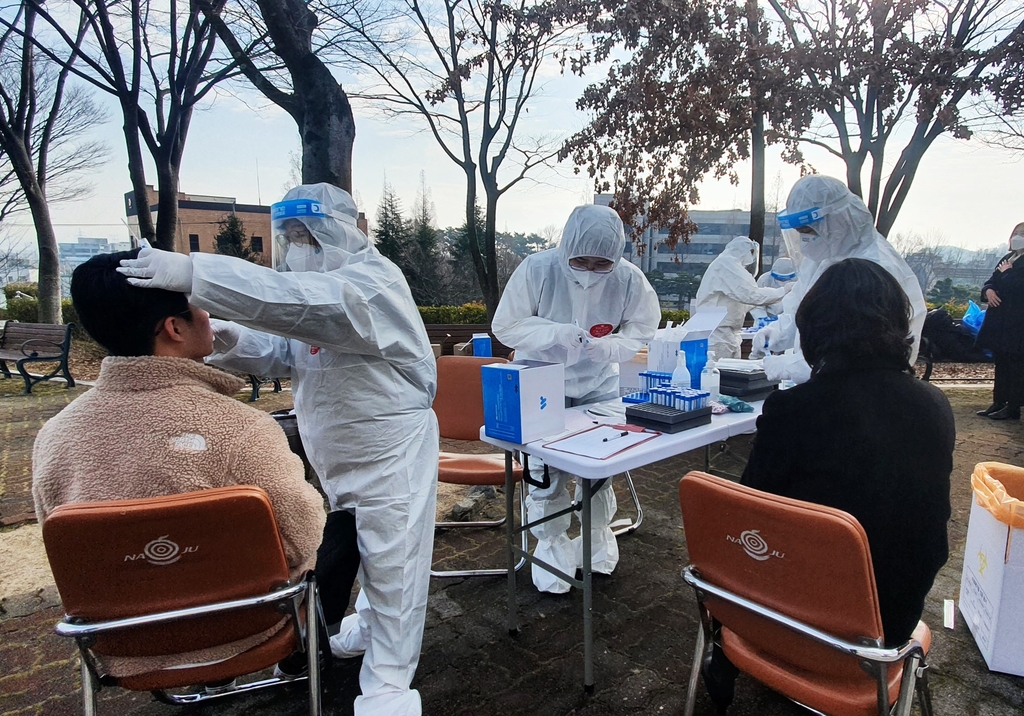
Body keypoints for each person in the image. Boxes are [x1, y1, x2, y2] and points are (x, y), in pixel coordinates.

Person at [117, 183, 438, 716]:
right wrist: (225, 337)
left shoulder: (371, 285)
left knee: (396, 562)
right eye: (289, 235)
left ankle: (389, 685)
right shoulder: (308, 290)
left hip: (390, 450)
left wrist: (197, 277)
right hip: (337, 452)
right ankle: (372, 629)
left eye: (310, 234)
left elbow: (305, 307)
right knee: (367, 548)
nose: (299, 246)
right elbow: (282, 348)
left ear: (346, 230)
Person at [32, 249, 326, 678]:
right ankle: (304, 668)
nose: (209, 315)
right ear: (173, 328)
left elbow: (70, 555)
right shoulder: (243, 429)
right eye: (200, 305)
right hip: (247, 629)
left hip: (121, 641)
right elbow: (305, 537)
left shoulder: (54, 437)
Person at [703, 258, 954, 710]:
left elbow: (745, 519)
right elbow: (930, 532)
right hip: (882, 632)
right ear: (898, 325)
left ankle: (721, 656)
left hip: (778, 621)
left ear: (813, 328)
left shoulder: (791, 411)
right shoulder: (934, 408)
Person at [491, 204, 661, 593]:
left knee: (598, 472)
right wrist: (554, 334)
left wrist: (614, 346)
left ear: (616, 256)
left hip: (598, 386)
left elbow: (643, 326)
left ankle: (596, 545)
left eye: (601, 263)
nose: (589, 271)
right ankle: (551, 550)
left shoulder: (629, 278)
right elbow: (506, 325)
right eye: (580, 260)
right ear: (565, 246)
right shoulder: (538, 269)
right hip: (542, 384)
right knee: (546, 475)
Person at [750, 175, 926, 384]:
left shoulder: (875, 268)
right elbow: (803, 307)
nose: (804, 240)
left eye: (808, 231)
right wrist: (779, 332)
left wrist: (793, 367)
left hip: (863, 392)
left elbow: (859, 351)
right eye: (799, 233)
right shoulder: (823, 256)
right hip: (822, 386)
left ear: (838, 221)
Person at [693, 237, 789, 359]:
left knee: (732, 375)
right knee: (720, 375)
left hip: (728, 334)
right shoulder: (726, 265)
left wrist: (772, 305)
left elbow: (744, 302)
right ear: (746, 251)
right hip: (718, 334)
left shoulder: (727, 265)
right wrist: (783, 291)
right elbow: (752, 295)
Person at [975, 222, 1024, 420]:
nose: (1018, 236)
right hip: (999, 320)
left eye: (1022, 234)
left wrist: (1008, 273)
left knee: (1015, 365)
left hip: (1017, 322)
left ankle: (1013, 406)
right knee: (1001, 362)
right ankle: (998, 401)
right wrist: (988, 291)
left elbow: (1017, 286)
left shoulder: (1014, 265)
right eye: (1016, 233)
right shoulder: (1008, 258)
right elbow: (991, 280)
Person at [749, 256, 797, 321]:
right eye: (778, 278)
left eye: (785, 279)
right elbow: (757, 302)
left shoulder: (798, 281)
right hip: (767, 316)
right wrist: (762, 318)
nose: (781, 282)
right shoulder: (764, 279)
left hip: (789, 319)